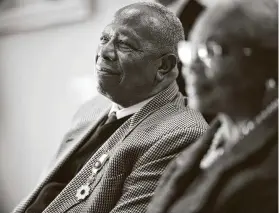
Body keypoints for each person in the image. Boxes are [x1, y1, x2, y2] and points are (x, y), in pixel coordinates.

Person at [13, 2, 208, 213]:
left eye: (125, 44)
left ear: (164, 66)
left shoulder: (181, 133)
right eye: (104, 39)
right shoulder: (92, 108)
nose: (104, 52)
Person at [147, 0, 278, 212]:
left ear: (268, 61)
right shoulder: (208, 143)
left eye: (210, 52)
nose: (191, 67)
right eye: (190, 51)